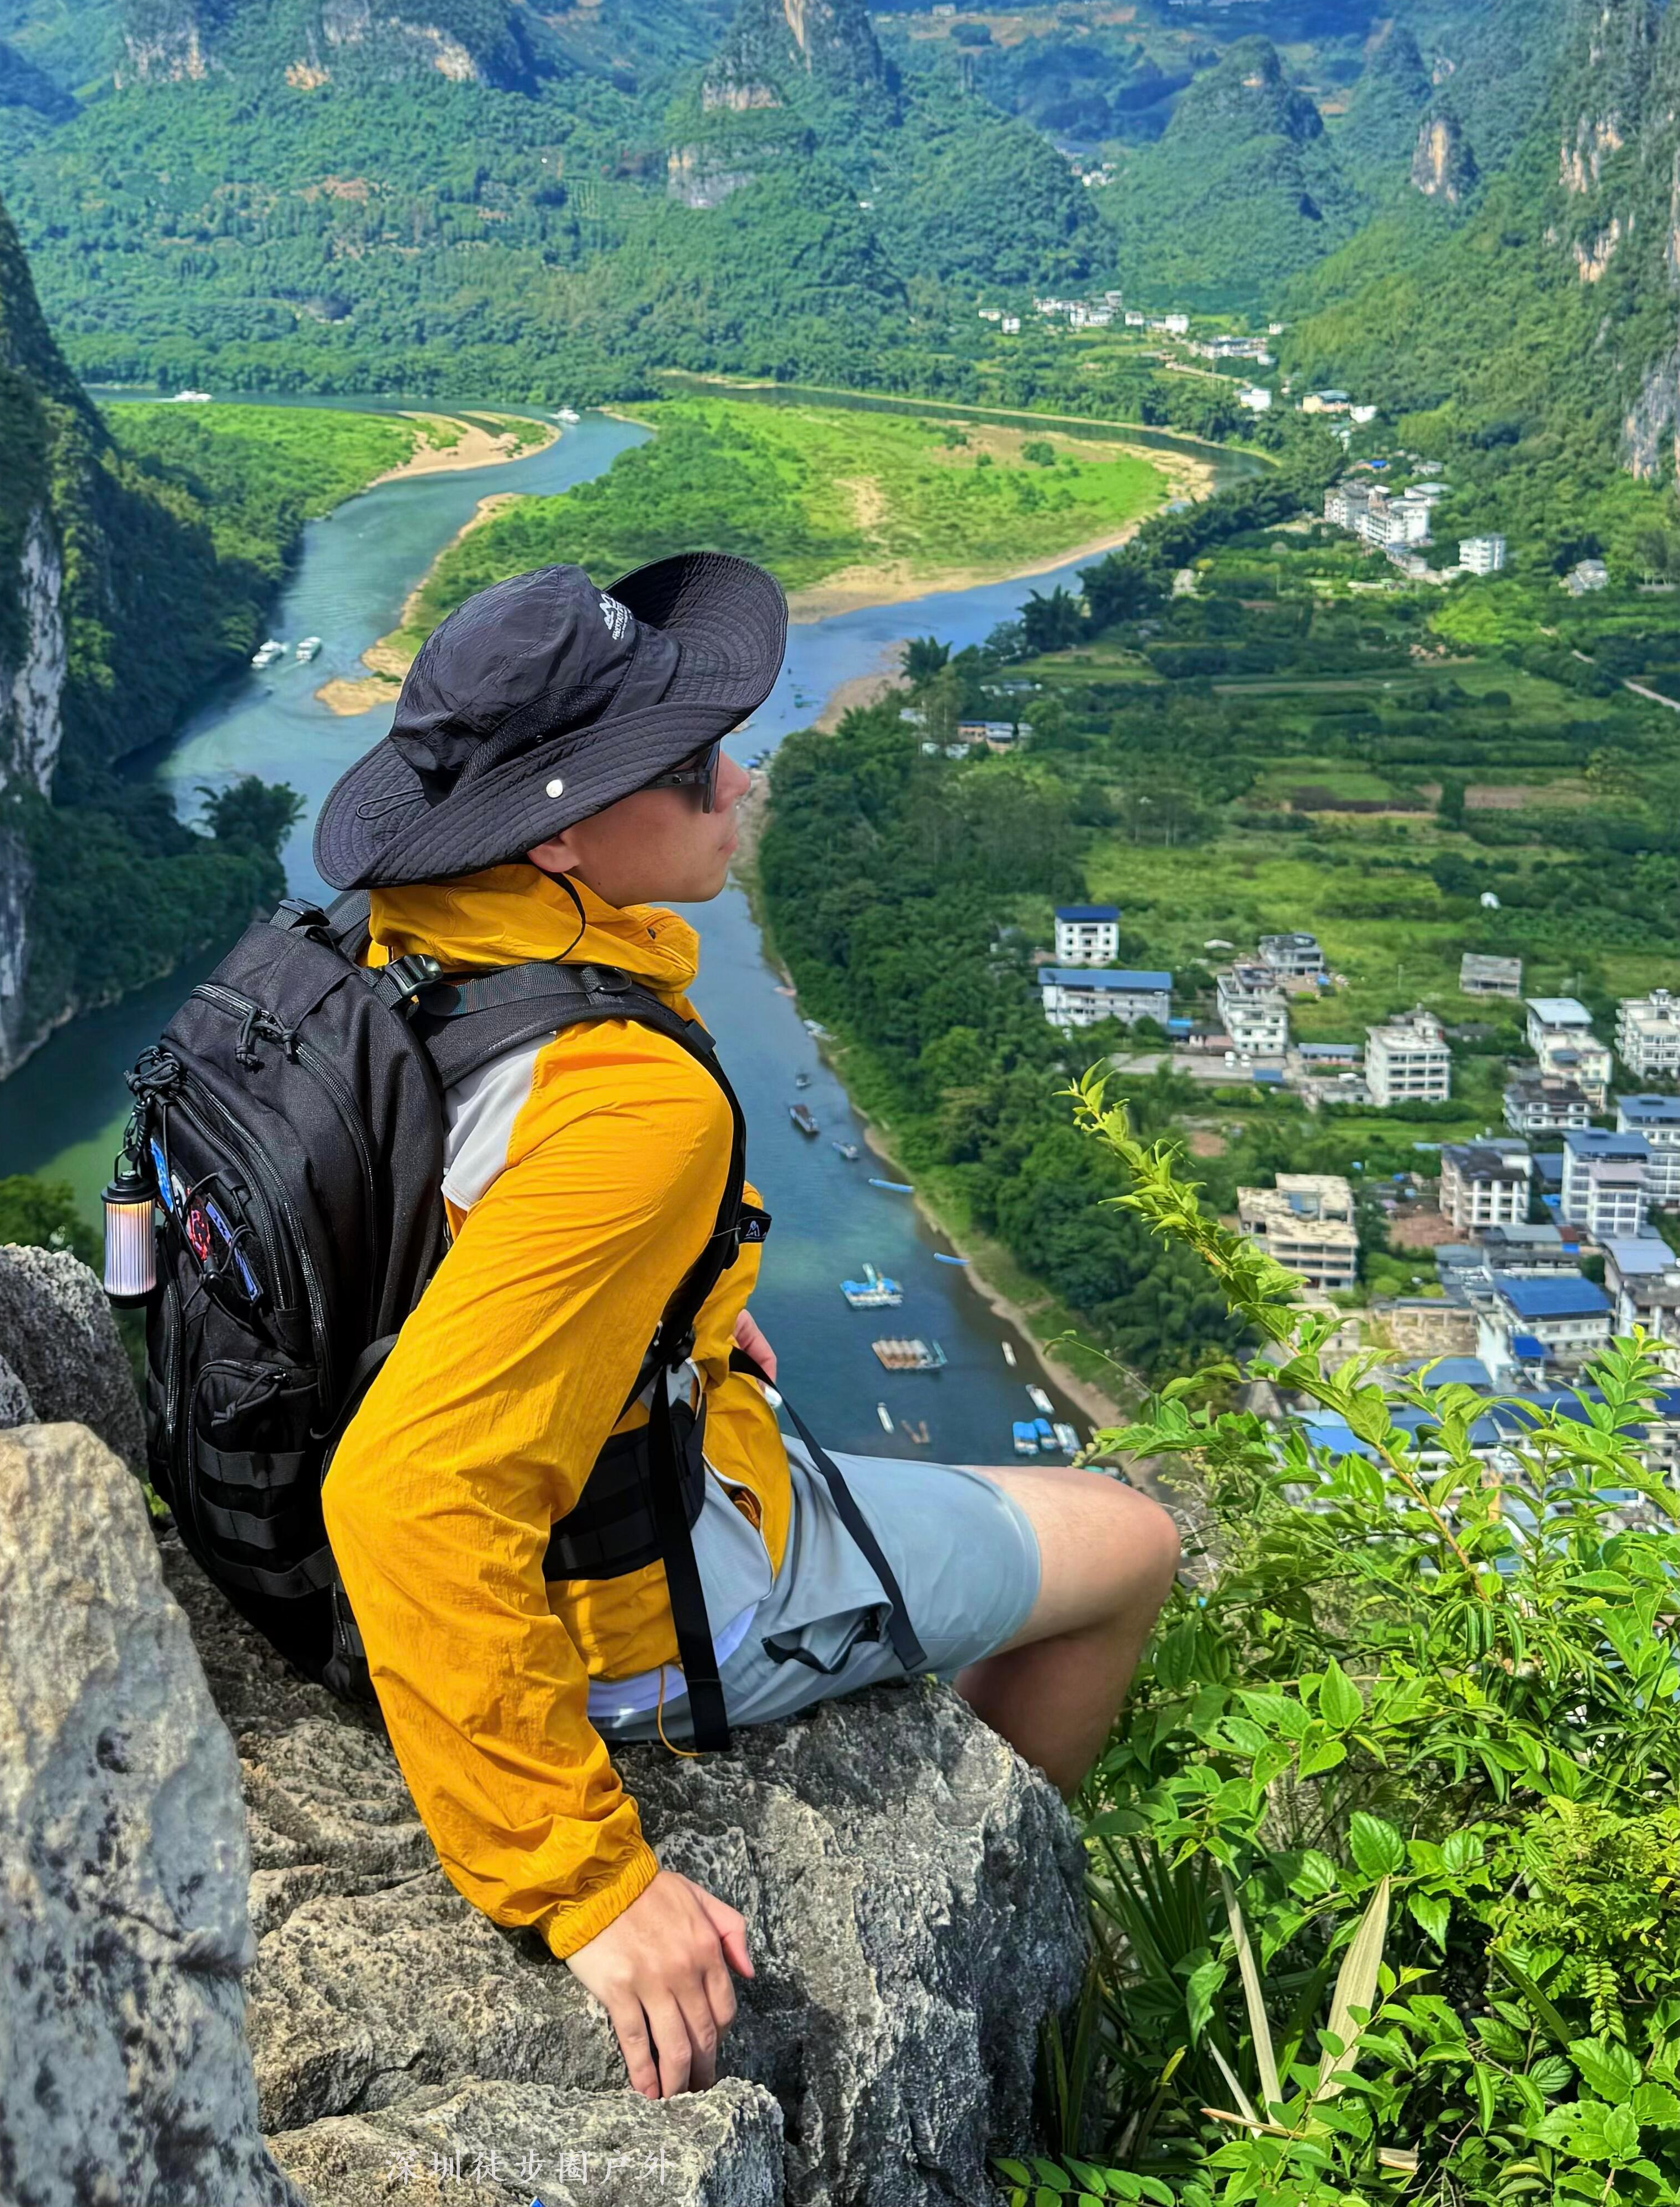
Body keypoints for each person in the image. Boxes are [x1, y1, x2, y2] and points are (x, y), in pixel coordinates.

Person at [312, 551, 1181, 2105]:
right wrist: (583, 1879)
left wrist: (672, 1311)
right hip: (606, 1615)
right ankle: (1011, 1888)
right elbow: (405, 1493)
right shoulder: (621, 1096)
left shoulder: (398, 946)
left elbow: (449, 1225)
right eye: (688, 758)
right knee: (1126, 1543)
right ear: (561, 832)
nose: (737, 775)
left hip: (331, 1513)